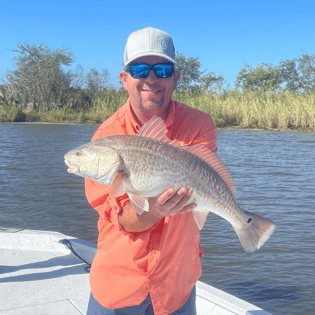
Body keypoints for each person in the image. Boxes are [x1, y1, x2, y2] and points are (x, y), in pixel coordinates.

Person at [85, 27, 217, 315]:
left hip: (177, 285)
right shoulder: (105, 139)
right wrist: (154, 209)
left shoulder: (199, 124)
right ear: (124, 78)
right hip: (120, 284)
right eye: (140, 68)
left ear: (176, 78)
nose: (152, 78)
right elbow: (122, 219)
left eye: (163, 69)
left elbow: (208, 180)